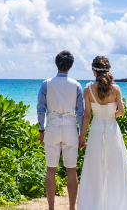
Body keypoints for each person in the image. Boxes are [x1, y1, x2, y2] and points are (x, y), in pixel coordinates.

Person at [77, 56, 127, 210]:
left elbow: (87, 115)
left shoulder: (88, 90)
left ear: (94, 71)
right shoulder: (116, 89)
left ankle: (95, 203)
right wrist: (110, 115)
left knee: (95, 167)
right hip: (112, 130)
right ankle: (117, 202)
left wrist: (82, 136)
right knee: (116, 165)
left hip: (95, 131)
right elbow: (121, 111)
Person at [37, 50, 85, 210]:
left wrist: (41, 130)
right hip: (70, 127)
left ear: (56, 64)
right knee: (71, 169)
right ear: (70, 66)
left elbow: (41, 109)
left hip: (52, 126)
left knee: (51, 169)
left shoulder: (46, 83)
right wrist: (81, 134)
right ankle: (71, 207)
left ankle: (51, 207)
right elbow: (80, 112)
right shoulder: (76, 85)